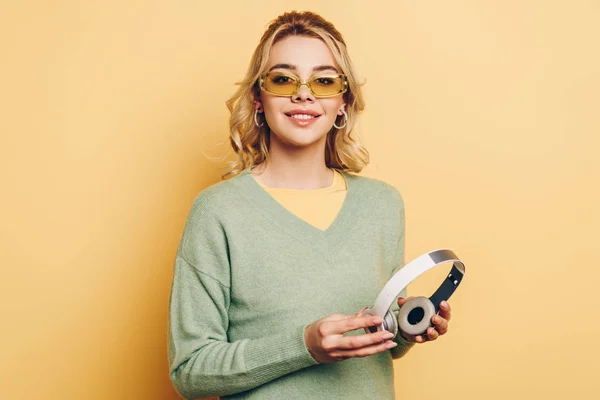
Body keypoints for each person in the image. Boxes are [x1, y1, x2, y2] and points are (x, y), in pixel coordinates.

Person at [168, 10, 452, 399]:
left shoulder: (382, 204)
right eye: (283, 79)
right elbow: (190, 370)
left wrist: (407, 327)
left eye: (323, 80)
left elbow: (381, 337)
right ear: (257, 98)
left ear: (343, 102)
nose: (304, 94)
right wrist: (303, 346)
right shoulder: (219, 211)